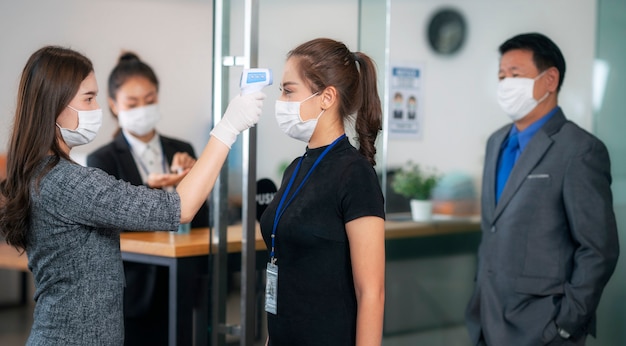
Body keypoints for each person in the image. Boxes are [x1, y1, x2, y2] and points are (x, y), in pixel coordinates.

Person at [0, 45, 264, 345]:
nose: (97, 108)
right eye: (88, 98)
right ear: (54, 105)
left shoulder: (43, 174)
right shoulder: (68, 182)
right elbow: (179, 209)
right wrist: (228, 127)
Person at [465, 32, 619, 346]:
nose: (506, 84)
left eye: (515, 75)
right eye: (501, 76)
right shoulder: (497, 142)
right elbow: (492, 229)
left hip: (544, 328)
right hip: (488, 319)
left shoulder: (580, 150)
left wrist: (566, 324)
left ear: (550, 80)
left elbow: (598, 250)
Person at [259, 38, 386, 346]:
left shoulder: (355, 173)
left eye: (289, 90)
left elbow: (371, 292)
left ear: (327, 97)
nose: (281, 100)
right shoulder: (296, 167)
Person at [86, 52, 210, 345]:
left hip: (182, 283)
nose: (143, 108)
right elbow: (112, 226)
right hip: (133, 290)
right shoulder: (102, 159)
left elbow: (202, 221)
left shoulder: (182, 148)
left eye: (150, 99)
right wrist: (154, 189)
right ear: (115, 105)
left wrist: (189, 183)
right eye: (132, 103)